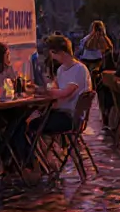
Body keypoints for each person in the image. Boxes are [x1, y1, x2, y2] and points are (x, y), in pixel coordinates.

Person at [9, 35, 91, 174]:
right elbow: (56, 90)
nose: (52, 57)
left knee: (24, 125)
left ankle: (32, 164)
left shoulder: (79, 69)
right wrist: (40, 90)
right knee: (21, 122)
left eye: (53, 54)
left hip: (70, 118)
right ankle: (35, 163)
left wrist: (45, 91)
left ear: (60, 52)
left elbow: (66, 92)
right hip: (62, 113)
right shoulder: (61, 70)